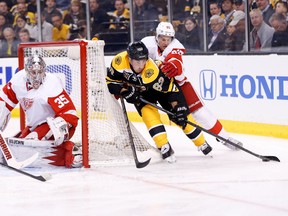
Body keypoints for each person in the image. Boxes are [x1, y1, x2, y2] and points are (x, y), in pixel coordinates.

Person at [141, 22, 243, 150]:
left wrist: (175, 67)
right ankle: (161, 142)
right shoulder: (146, 43)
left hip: (178, 85)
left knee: (200, 112)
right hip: (155, 85)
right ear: (156, 36)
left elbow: (176, 60)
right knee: (150, 112)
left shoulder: (175, 46)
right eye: (163, 39)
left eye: (168, 39)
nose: (166, 42)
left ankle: (224, 138)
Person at [106, 41, 212, 163]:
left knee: (180, 117)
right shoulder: (119, 62)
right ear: (129, 59)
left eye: (143, 60)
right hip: (142, 93)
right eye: (137, 61)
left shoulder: (153, 71)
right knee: (148, 115)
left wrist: (178, 107)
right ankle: (163, 145)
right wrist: (124, 91)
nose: (141, 65)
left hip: (162, 91)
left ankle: (201, 142)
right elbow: (110, 82)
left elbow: (171, 90)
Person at [0, 55, 81, 168]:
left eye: (40, 72)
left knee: (29, 147)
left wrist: (61, 127)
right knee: (18, 145)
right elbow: (4, 102)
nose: (37, 76)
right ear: (27, 72)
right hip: (34, 126)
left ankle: (71, 152)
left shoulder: (51, 83)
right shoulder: (18, 81)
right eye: (33, 72)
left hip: (55, 127)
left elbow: (69, 113)